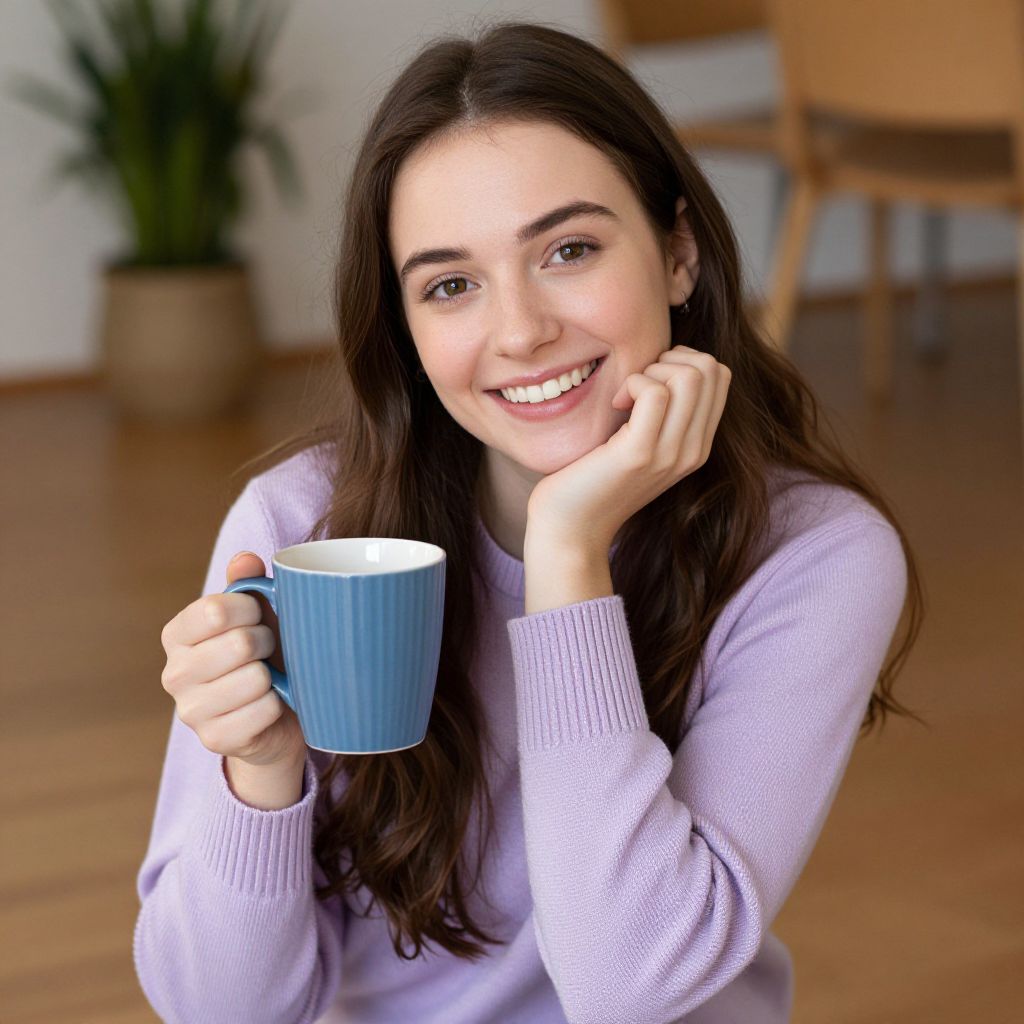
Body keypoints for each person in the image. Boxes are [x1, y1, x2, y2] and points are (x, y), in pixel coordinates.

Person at [134, 20, 925, 1024]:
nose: (519, 330)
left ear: (677, 252)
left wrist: (566, 553)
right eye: (451, 284)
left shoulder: (815, 555)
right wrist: (259, 769)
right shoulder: (301, 526)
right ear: (407, 329)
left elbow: (625, 986)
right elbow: (220, 1013)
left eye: (568, 248)